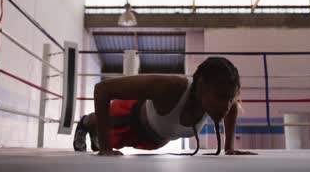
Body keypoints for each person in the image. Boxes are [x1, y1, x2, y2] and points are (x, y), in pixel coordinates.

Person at [73, 57, 256, 156]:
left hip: (154, 141)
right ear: (200, 85)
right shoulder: (171, 87)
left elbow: (232, 108)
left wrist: (229, 147)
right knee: (98, 122)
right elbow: (102, 89)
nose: (226, 105)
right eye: (222, 97)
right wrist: (105, 148)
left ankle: (99, 135)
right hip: (129, 117)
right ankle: (84, 123)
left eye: (230, 98)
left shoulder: (222, 103)